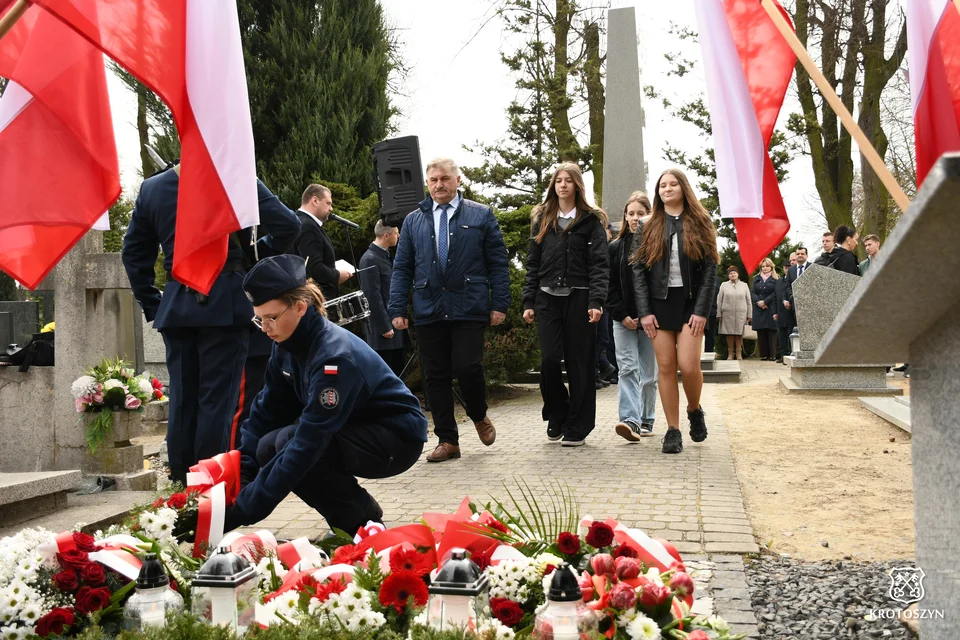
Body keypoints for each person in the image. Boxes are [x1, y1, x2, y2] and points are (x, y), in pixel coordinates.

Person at [224, 255, 427, 536]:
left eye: (271, 318)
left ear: (299, 307)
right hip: (353, 428)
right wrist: (243, 475)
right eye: (259, 320)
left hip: (395, 438)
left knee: (292, 445)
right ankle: (349, 519)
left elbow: (309, 441)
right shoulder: (285, 345)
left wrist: (242, 510)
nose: (265, 328)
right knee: (268, 446)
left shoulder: (333, 357)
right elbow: (265, 413)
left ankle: (364, 524)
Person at [121, 166, 301, 484]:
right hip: (225, 303)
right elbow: (287, 224)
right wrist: (256, 258)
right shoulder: (235, 178)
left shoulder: (152, 187)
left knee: (182, 398)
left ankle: (181, 483)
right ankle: (209, 489)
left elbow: (134, 253)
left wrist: (154, 304)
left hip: (177, 305)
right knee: (216, 402)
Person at [388, 158, 510, 463]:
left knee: (469, 367)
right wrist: (397, 308)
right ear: (427, 183)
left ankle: (479, 415)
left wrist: (500, 304)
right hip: (429, 306)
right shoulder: (413, 220)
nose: (439, 185)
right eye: (433, 180)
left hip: (469, 304)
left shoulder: (481, 215)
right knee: (435, 375)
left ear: (458, 180)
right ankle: (447, 439)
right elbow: (402, 268)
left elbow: (497, 262)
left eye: (444, 179)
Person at [631, 168, 718, 454]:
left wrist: (702, 310)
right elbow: (638, 270)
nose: (667, 189)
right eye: (662, 185)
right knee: (666, 367)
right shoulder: (647, 224)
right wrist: (644, 311)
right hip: (659, 304)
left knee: (690, 365)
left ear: (683, 188)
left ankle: (694, 409)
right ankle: (673, 429)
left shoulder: (701, 221)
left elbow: (709, 270)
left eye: (672, 184)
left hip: (691, 303)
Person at [522, 162, 609, 447]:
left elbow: (599, 264)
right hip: (547, 299)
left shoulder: (591, 221)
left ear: (577, 186)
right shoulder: (542, 219)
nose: (562, 185)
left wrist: (596, 300)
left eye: (568, 180)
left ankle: (578, 425)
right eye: (558, 180)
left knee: (579, 364)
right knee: (548, 361)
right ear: (553, 185)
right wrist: (529, 300)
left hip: (581, 298)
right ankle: (557, 413)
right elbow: (532, 263)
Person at [607, 191, 658, 441]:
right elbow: (609, 285)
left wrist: (649, 314)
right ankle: (630, 420)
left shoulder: (656, 246)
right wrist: (622, 314)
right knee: (627, 369)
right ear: (625, 217)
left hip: (652, 321)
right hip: (623, 320)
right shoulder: (615, 247)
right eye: (631, 213)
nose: (636, 218)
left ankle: (647, 418)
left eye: (641, 213)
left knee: (649, 375)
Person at [359, 221, 405, 375]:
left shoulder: (386, 255)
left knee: (398, 370)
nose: (398, 236)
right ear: (386, 235)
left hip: (393, 326)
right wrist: (384, 326)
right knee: (386, 374)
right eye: (396, 233)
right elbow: (371, 296)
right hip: (382, 331)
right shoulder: (369, 259)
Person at [295, 184, 352, 300]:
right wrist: (337, 275)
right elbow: (313, 268)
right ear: (315, 201)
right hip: (318, 301)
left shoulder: (302, 222)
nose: (331, 208)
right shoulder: (308, 226)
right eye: (328, 203)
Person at [716, 266, 751, 360]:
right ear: (728, 275)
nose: (732, 274)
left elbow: (748, 301)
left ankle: (739, 353)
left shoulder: (744, 285)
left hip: (741, 313)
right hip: (727, 313)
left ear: (738, 274)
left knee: (739, 333)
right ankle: (730, 353)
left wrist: (749, 315)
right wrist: (719, 313)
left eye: (734, 273)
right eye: (731, 273)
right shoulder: (724, 285)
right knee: (729, 333)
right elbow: (719, 300)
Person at [752, 258, 779, 361]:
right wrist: (759, 302)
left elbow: (775, 292)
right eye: (763, 266)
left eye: (767, 266)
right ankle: (764, 354)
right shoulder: (756, 278)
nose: (765, 268)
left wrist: (765, 301)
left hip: (770, 307)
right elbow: (753, 292)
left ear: (771, 267)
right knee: (761, 331)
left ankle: (772, 355)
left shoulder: (776, 278)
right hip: (759, 308)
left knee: (771, 331)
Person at [773, 261, 793, 363]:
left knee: (791, 333)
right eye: (785, 267)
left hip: (790, 311)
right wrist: (775, 312)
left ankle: (792, 354)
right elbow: (775, 298)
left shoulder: (793, 279)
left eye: (789, 267)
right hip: (780, 312)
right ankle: (783, 355)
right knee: (781, 334)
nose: (787, 269)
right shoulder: (779, 281)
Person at [784, 246, 809, 317]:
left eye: (802, 254)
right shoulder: (791, 270)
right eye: (798, 254)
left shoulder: (812, 267)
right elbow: (787, 286)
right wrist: (794, 295)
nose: (800, 255)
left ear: (807, 255)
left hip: (809, 303)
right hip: (795, 304)